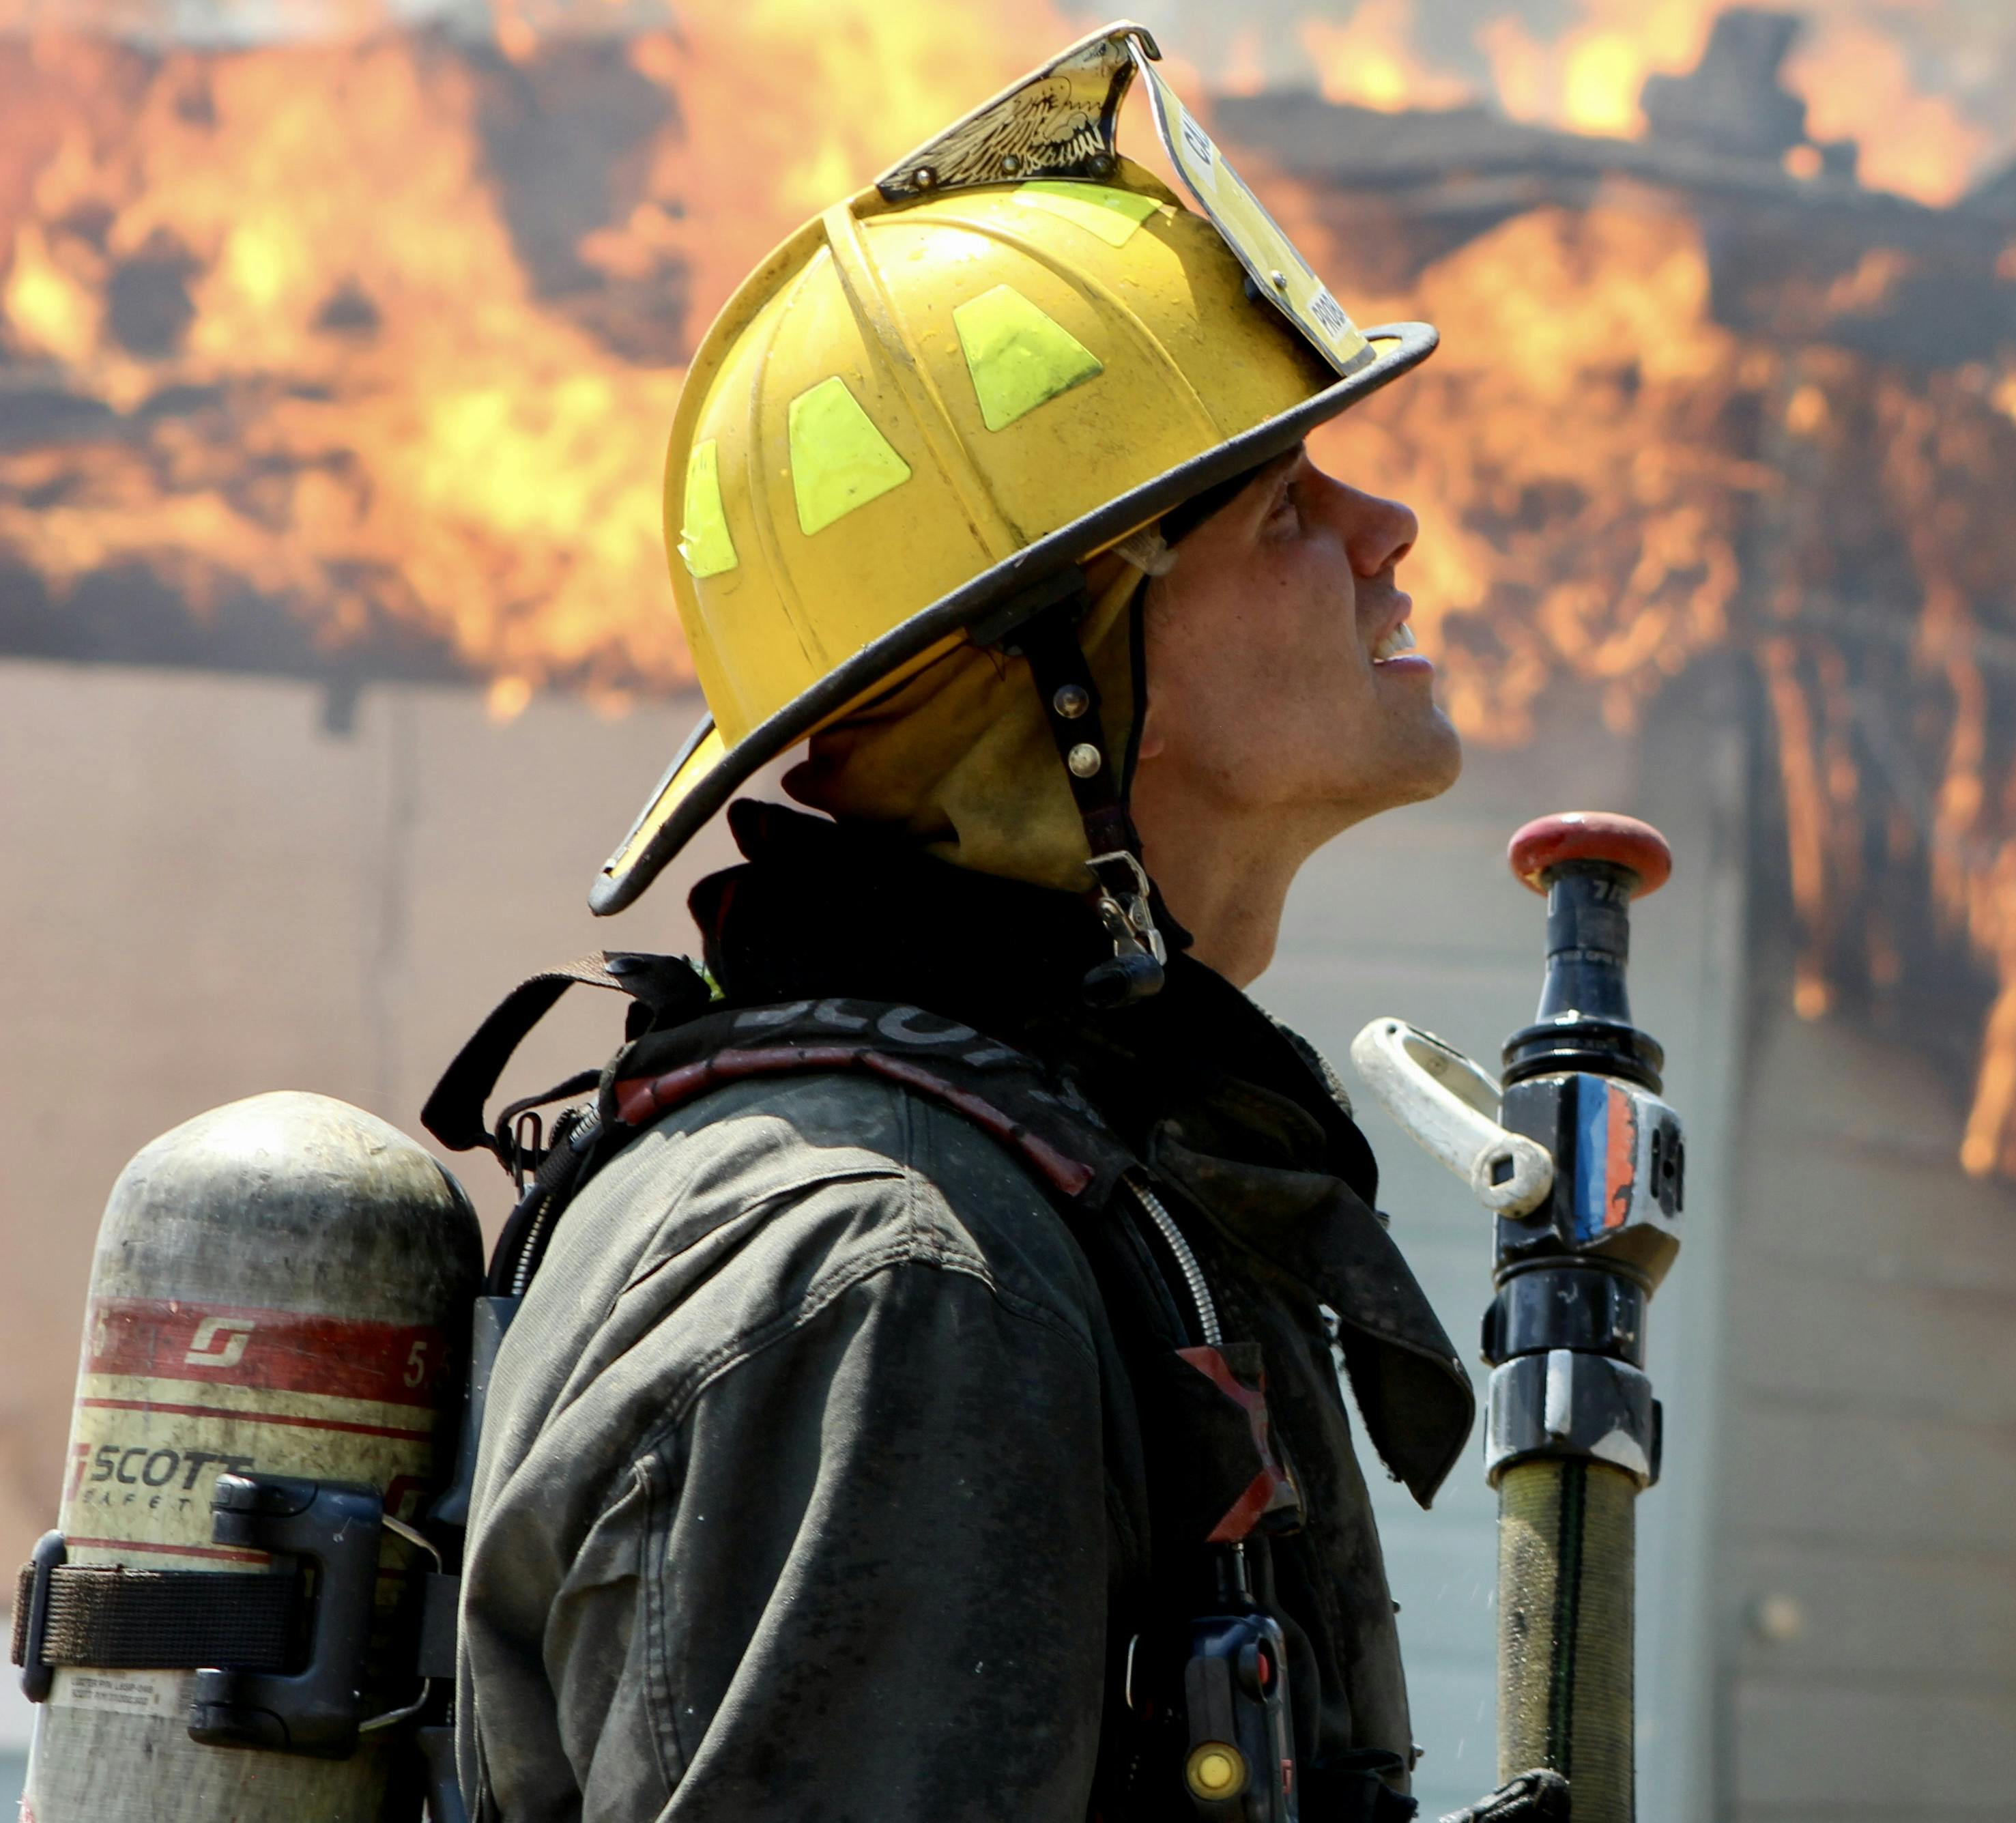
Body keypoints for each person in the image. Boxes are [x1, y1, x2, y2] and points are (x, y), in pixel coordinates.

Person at [439, 30, 1538, 1822]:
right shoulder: (897, 1275)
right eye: (1281, 505)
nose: (1385, 523)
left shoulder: (1045, 1193)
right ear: (1076, 691)